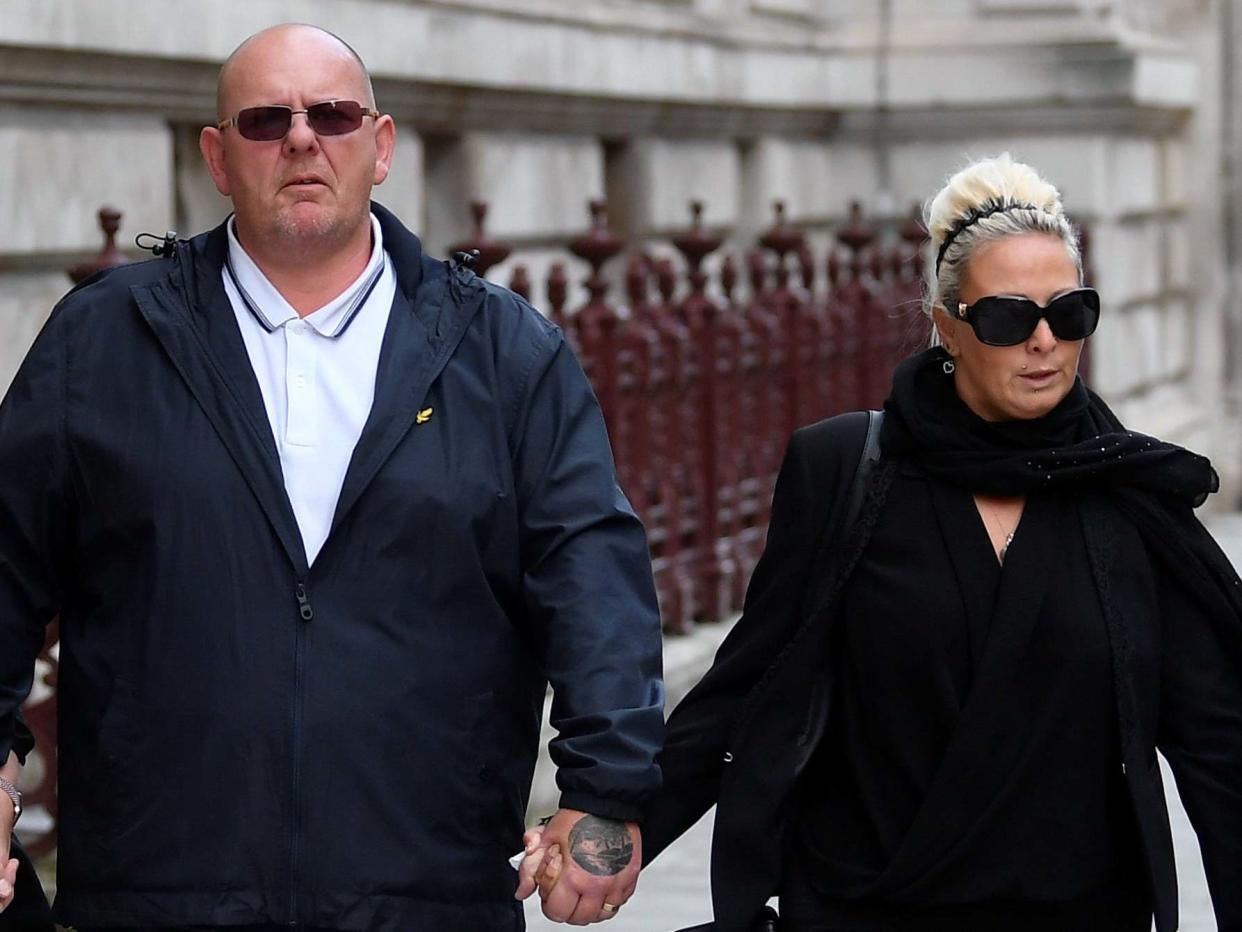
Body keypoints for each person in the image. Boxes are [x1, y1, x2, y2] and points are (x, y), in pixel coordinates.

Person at [0, 23, 663, 931]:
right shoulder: (104, 341)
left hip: (427, 891)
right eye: (267, 120)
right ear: (219, 158)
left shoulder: (505, 352)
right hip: (159, 891)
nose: (303, 139)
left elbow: (592, 575)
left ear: (381, 146)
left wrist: (607, 783)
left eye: (333, 115)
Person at [524, 153, 1242, 931]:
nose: (1045, 342)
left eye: (1069, 314)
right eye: (1009, 317)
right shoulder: (847, 472)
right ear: (947, 327)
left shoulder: (1131, 493)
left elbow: (1220, 748)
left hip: (1078, 911)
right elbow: (750, 685)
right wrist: (615, 826)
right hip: (866, 906)